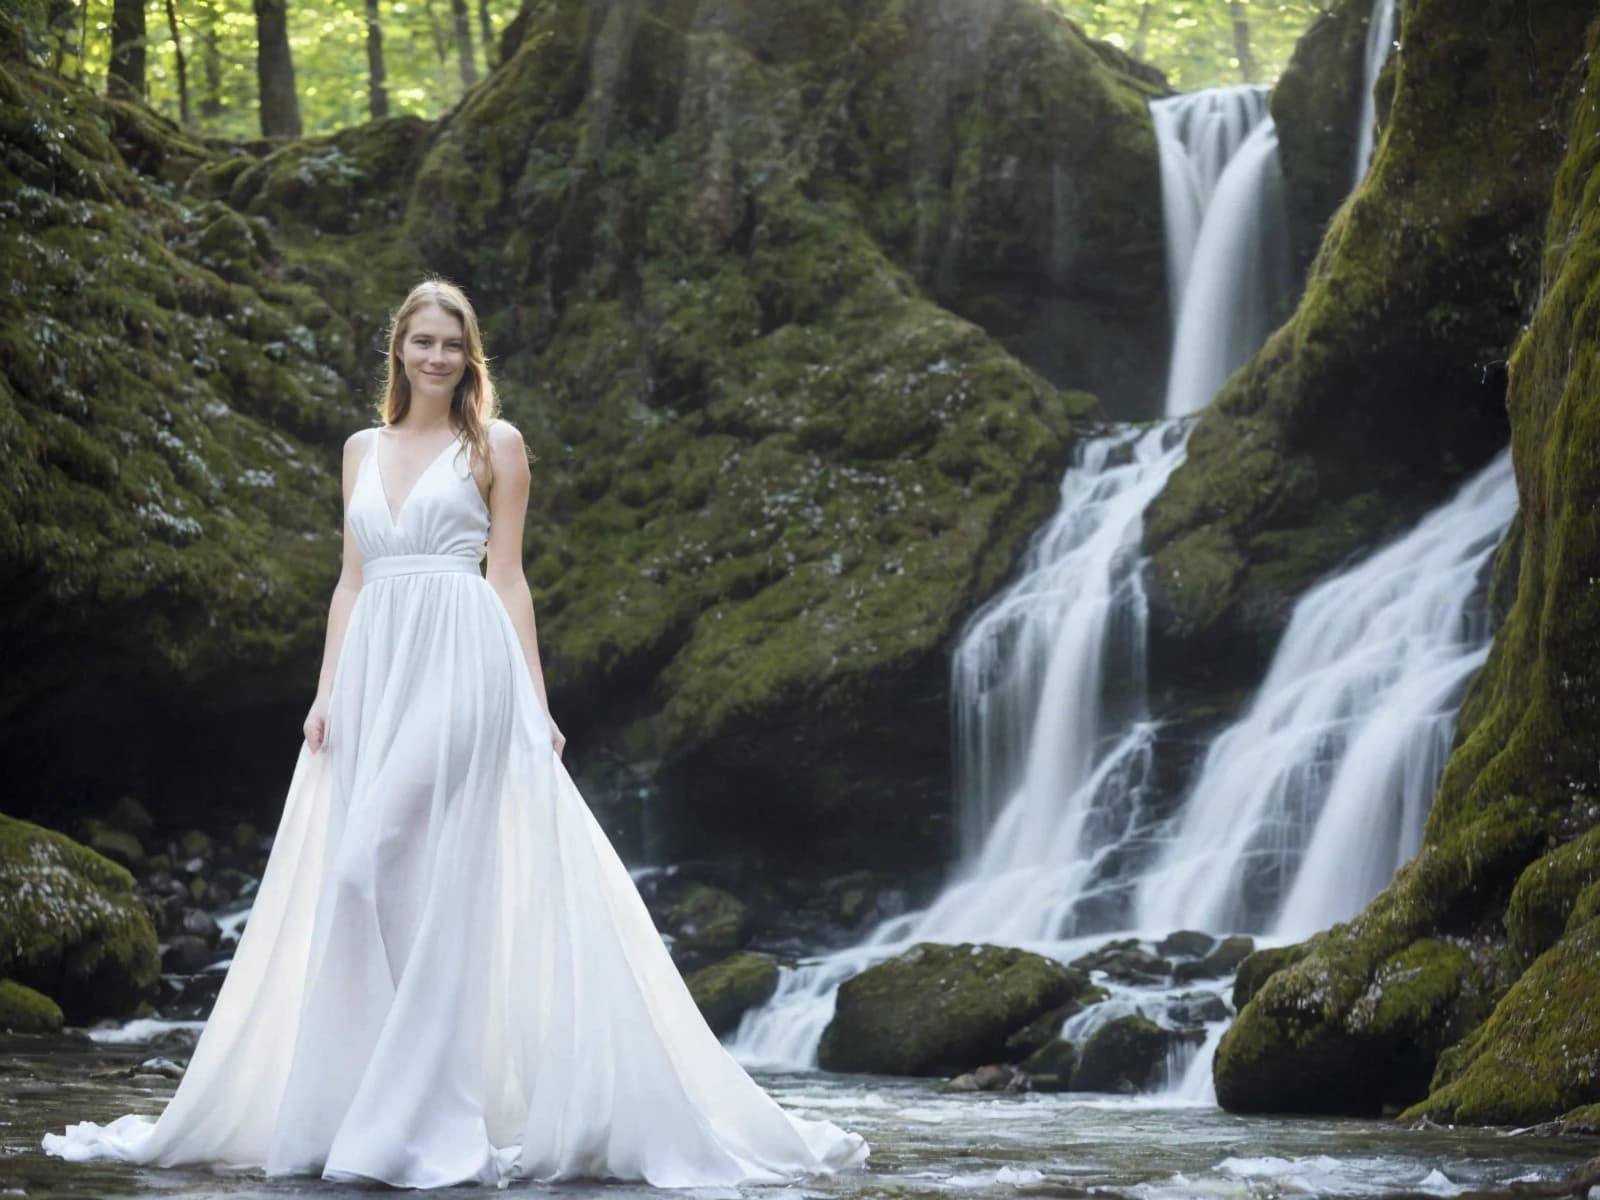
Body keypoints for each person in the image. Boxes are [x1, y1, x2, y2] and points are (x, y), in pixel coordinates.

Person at [41, 279, 869, 1189]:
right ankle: (419, 1079)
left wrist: (536, 700)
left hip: (465, 666)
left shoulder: (495, 446)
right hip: (375, 676)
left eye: (452, 344)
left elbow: (508, 579)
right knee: (378, 879)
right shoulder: (360, 450)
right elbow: (351, 582)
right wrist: (325, 692)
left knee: (368, 864)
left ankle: (429, 1103)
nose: (436, 356)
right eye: (422, 341)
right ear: (397, 348)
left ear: (469, 356)